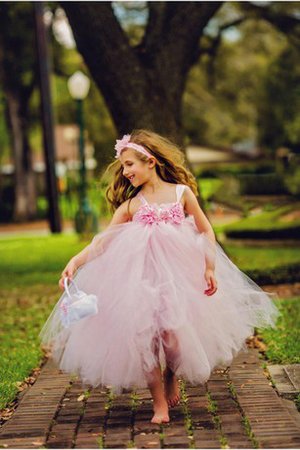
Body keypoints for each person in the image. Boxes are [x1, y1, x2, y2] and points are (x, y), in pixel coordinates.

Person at [39, 129, 279, 425]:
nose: (125, 172)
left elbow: (205, 229)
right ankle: (159, 403)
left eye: (129, 164)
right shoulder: (130, 206)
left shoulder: (181, 193)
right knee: (146, 341)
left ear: (150, 161)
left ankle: (171, 375)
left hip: (176, 279)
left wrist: (209, 266)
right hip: (139, 283)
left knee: (173, 342)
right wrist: (75, 261)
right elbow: (103, 241)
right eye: (123, 166)